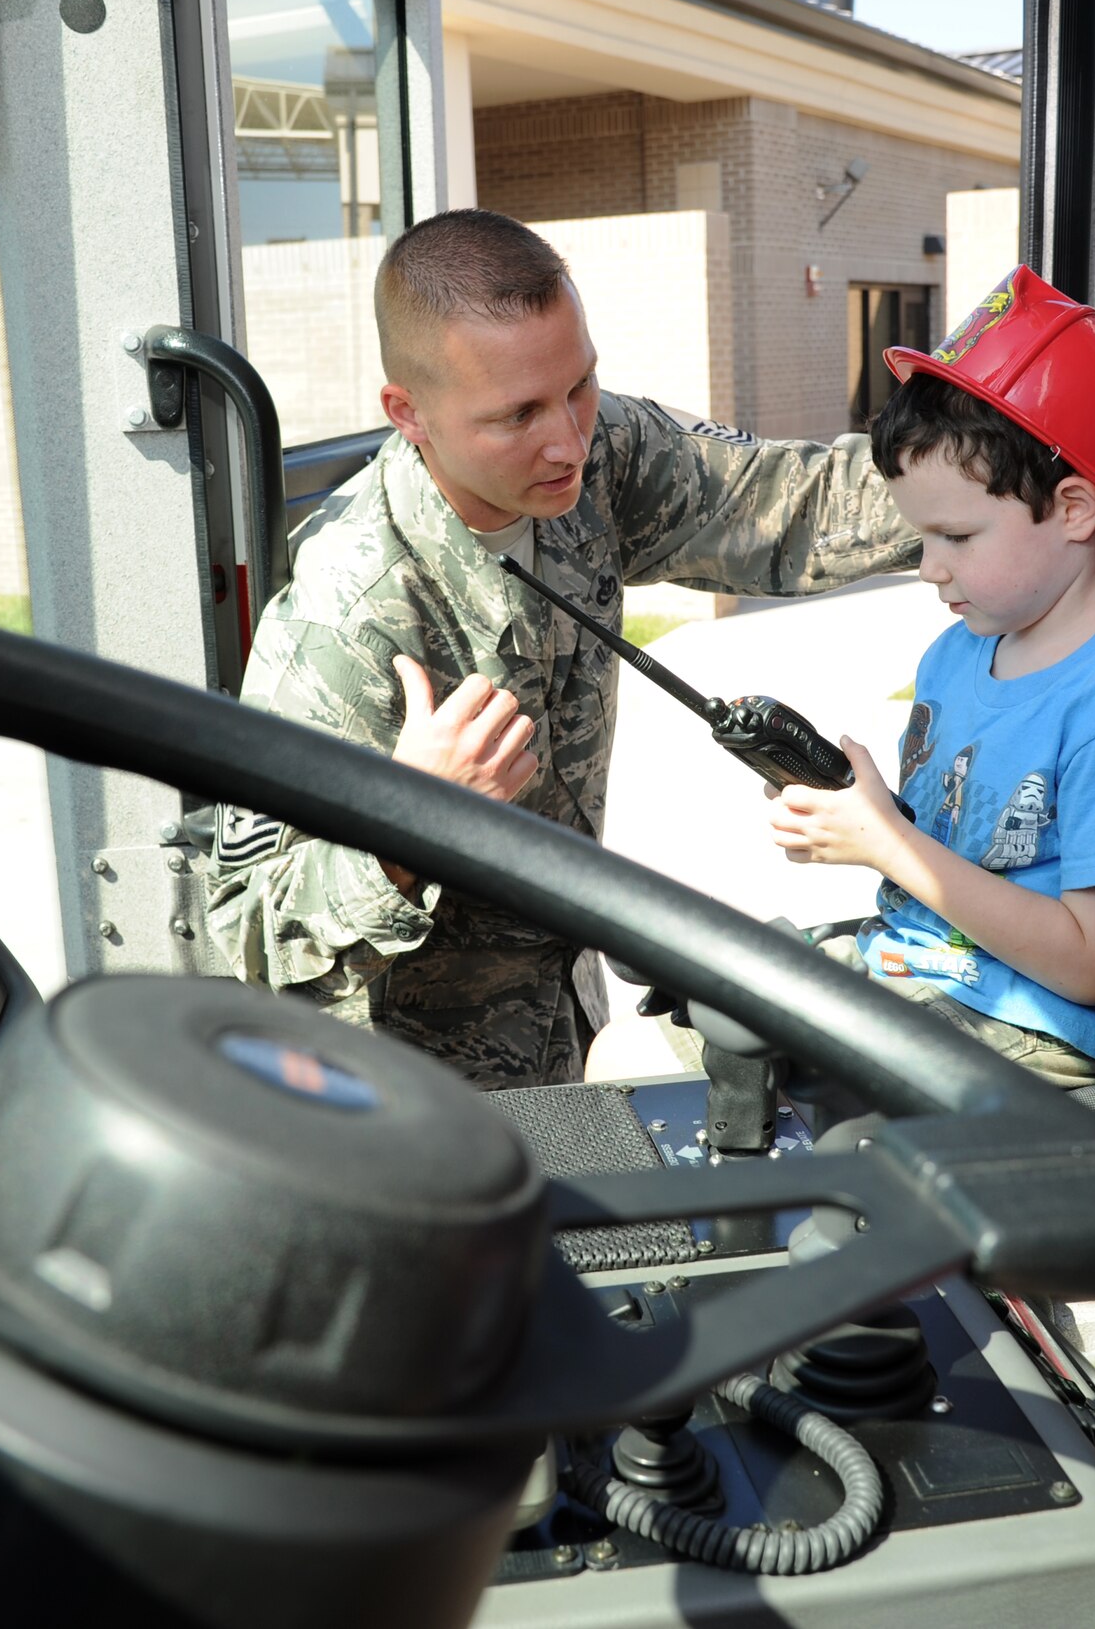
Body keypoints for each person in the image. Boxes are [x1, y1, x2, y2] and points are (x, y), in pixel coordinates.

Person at [204, 208, 916, 1090]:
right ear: (408, 413)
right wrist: (407, 821)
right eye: (517, 415)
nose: (569, 439)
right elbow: (240, 935)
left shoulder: (597, 447)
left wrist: (1013, 486)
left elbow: (795, 501)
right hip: (398, 1103)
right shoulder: (345, 617)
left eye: (579, 386)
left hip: (563, 1025)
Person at [767, 265, 1095, 1081]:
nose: (930, 568)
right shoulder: (959, 651)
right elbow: (953, 842)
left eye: (957, 538)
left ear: (1074, 509)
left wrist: (889, 845)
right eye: (922, 538)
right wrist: (860, 822)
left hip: (1032, 1039)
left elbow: (1091, 962)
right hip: (921, 973)